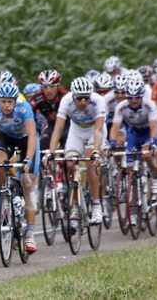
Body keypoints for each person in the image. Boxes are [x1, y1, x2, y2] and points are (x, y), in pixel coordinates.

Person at [0, 82, 40, 254]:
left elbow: (33, 134)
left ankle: (30, 235)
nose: (6, 105)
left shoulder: (24, 108)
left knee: (27, 185)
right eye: (3, 101)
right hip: (7, 138)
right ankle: (5, 191)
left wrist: (27, 159)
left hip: (27, 140)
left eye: (9, 102)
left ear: (15, 101)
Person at [46, 77, 107, 227]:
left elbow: (98, 130)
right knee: (70, 164)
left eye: (87, 98)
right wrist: (51, 152)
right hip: (77, 130)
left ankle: (97, 205)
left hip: (94, 130)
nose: (83, 102)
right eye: (80, 98)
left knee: (90, 161)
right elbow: (58, 129)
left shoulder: (98, 101)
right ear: (73, 96)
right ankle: (73, 207)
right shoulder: (66, 101)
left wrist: (96, 151)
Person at [109, 80, 157, 220]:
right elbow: (115, 128)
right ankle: (133, 209)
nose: (133, 100)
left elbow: (154, 127)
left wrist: (154, 143)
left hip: (149, 134)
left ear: (142, 96)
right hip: (134, 135)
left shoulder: (148, 105)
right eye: (130, 97)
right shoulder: (121, 107)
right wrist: (112, 143)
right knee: (132, 170)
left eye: (137, 97)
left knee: (145, 154)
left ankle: (156, 177)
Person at [30, 69, 70, 151]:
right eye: (45, 87)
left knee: (67, 145)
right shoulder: (37, 99)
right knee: (42, 144)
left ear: (58, 85)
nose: (48, 91)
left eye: (52, 86)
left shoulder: (67, 97)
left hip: (68, 126)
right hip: (50, 125)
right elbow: (29, 118)